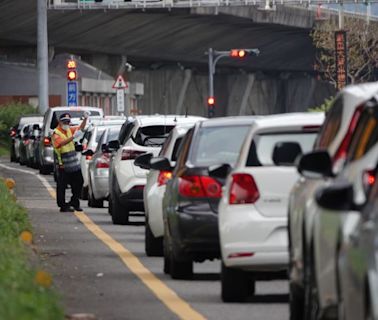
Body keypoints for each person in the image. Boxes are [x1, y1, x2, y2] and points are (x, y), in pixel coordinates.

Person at [52, 112, 89, 212]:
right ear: (60, 122)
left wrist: (85, 119)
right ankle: (63, 205)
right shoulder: (56, 133)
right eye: (64, 122)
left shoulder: (69, 130)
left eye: (68, 122)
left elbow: (80, 128)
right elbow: (60, 143)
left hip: (73, 164)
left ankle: (74, 202)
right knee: (62, 186)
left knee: (79, 182)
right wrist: (73, 137)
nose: (66, 124)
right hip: (63, 165)